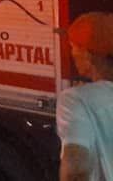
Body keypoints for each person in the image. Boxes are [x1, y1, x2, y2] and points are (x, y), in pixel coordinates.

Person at [57, 12, 113, 181]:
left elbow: (76, 170)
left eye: (74, 46)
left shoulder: (77, 100)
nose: (71, 53)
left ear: (88, 56)